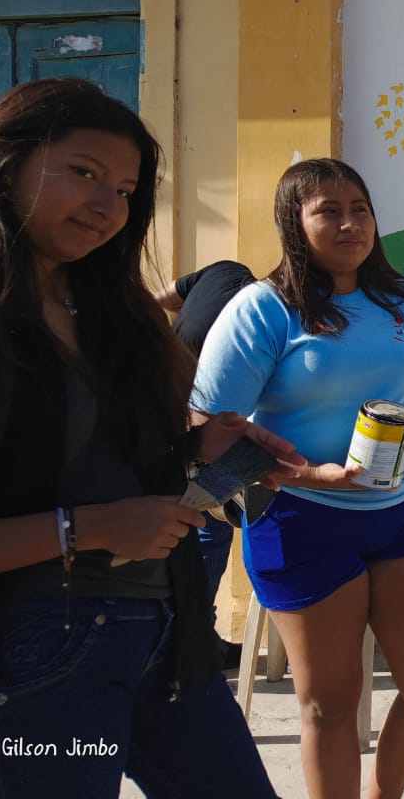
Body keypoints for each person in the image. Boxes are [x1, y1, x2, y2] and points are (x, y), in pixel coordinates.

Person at [0, 77, 304, 798]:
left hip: (168, 639)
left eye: (124, 190)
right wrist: (84, 528)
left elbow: (97, 457)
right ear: (4, 162)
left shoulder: (112, 312)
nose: (106, 205)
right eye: (83, 172)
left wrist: (199, 448)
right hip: (35, 657)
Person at [190, 158, 404, 799]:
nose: (350, 223)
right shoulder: (263, 310)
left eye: (360, 209)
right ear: (293, 223)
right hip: (299, 518)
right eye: (328, 211)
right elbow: (208, 429)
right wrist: (304, 473)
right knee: (330, 704)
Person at [156, 259, 257, 666]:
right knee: (207, 527)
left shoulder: (222, 272)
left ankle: (189, 636)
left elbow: (159, 298)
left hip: (159, 406)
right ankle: (191, 640)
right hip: (195, 423)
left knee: (189, 527)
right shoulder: (269, 313)